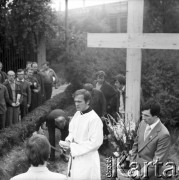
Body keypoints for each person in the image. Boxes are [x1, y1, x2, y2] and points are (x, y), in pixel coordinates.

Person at [63, 89, 103, 180]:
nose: (76, 104)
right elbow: (72, 131)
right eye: (75, 101)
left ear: (88, 101)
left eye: (79, 101)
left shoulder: (94, 119)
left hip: (87, 159)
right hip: (75, 156)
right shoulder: (77, 114)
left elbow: (95, 143)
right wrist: (68, 140)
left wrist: (72, 147)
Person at [129, 100, 170, 180]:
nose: (143, 118)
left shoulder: (164, 134)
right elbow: (135, 146)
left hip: (150, 175)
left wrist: (140, 174)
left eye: (146, 116)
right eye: (142, 114)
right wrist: (133, 166)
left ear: (155, 116)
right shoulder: (142, 123)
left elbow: (157, 161)